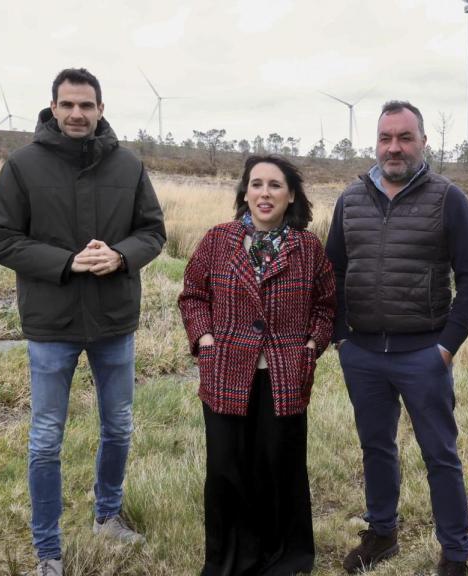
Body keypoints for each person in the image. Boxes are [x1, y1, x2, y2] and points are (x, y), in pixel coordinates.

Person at [0, 67, 166, 576]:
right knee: (46, 438)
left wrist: (121, 256)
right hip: (51, 323)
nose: (77, 114)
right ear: (53, 107)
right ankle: (48, 550)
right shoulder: (22, 165)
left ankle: (107, 516)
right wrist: (67, 262)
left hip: (113, 320)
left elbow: (153, 232)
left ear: (101, 109)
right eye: (67, 104)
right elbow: (0, 239)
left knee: (119, 426)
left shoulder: (129, 165)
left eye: (86, 105)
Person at [325, 100, 468, 576]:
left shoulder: (448, 199)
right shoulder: (350, 200)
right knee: (376, 448)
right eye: (385, 138)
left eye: (404, 137)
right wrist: (341, 337)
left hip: (423, 353)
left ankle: (455, 551)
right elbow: (333, 272)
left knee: (441, 454)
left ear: (423, 142)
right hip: (363, 352)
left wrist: (446, 346)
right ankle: (382, 533)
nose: (394, 147)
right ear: (376, 143)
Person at [178, 154, 335, 576]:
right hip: (226, 369)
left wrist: (310, 345)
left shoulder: (308, 248)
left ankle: (284, 558)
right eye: (257, 184)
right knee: (226, 468)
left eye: (275, 185)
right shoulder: (218, 240)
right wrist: (205, 340)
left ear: (291, 196)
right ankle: (230, 559)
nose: (265, 193)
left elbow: (325, 306)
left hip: (284, 373)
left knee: (279, 465)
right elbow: (193, 295)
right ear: (245, 193)